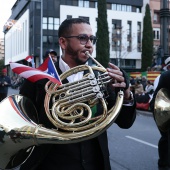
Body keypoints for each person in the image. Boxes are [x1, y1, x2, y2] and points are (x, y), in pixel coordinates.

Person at [19, 18, 136, 170]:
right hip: (51, 164)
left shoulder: (101, 77)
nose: (89, 45)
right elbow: (23, 124)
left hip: (95, 164)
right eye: (82, 38)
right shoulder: (39, 78)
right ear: (63, 42)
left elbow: (125, 123)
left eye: (91, 39)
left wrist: (126, 94)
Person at [150, 56, 170, 170]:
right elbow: (157, 100)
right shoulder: (164, 76)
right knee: (165, 138)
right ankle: (164, 164)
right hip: (163, 111)